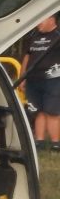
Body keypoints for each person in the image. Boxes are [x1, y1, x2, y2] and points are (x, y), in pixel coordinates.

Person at [21, 14, 60, 152]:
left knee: (52, 112)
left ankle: (56, 144)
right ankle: (39, 141)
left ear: (51, 19)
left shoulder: (57, 36)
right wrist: (23, 77)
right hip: (33, 79)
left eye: (41, 20)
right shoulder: (33, 36)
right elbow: (27, 56)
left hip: (53, 80)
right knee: (37, 111)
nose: (38, 23)